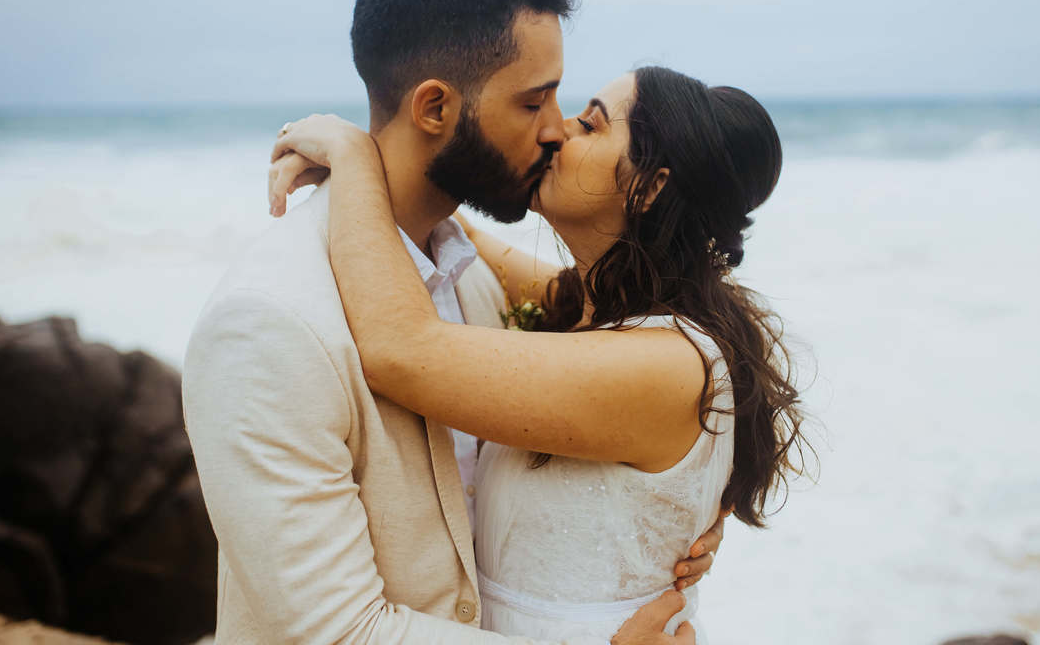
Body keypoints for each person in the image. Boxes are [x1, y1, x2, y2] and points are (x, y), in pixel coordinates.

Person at [183, 0, 718, 645]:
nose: (556, 131)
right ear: (435, 107)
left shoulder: (474, 278)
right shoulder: (268, 322)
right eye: (533, 102)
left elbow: (674, 340)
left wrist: (670, 507)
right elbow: (337, 633)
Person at [266, 65, 809, 642]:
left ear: (649, 187)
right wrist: (389, 156)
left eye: (590, 125)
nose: (557, 131)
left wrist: (351, 156)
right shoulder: (593, 306)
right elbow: (465, 237)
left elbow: (400, 348)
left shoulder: (664, 365)